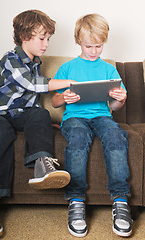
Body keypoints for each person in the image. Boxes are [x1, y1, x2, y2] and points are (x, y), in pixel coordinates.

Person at [0, 9, 76, 239]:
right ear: (25, 36)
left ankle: (43, 165)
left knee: (41, 115)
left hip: (21, 114)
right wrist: (69, 83)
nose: (46, 44)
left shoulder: (36, 61)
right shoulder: (11, 59)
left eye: (48, 38)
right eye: (42, 38)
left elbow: (32, 102)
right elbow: (33, 84)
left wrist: (42, 126)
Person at [51, 13, 133, 238]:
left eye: (99, 46)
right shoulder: (67, 68)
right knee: (77, 137)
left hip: (102, 117)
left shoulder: (108, 69)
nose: (94, 51)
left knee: (116, 136)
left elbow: (114, 108)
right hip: (74, 119)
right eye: (89, 46)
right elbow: (55, 102)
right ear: (78, 41)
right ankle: (76, 200)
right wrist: (65, 97)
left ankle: (120, 200)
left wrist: (120, 98)